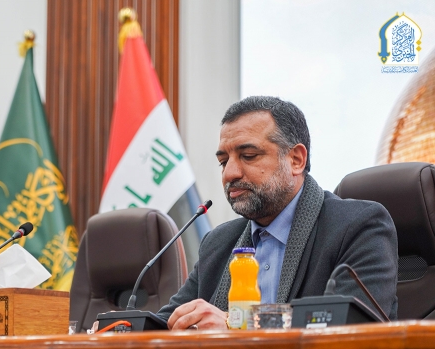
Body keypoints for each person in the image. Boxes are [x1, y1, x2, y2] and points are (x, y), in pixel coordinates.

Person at [156, 96, 398, 330]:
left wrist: (237, 323)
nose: (230, 173)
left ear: (296, 160)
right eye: (223, 161)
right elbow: (166, 324)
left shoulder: (359, 226)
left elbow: (345, 324)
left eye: (248, 156)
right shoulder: (218, 243)